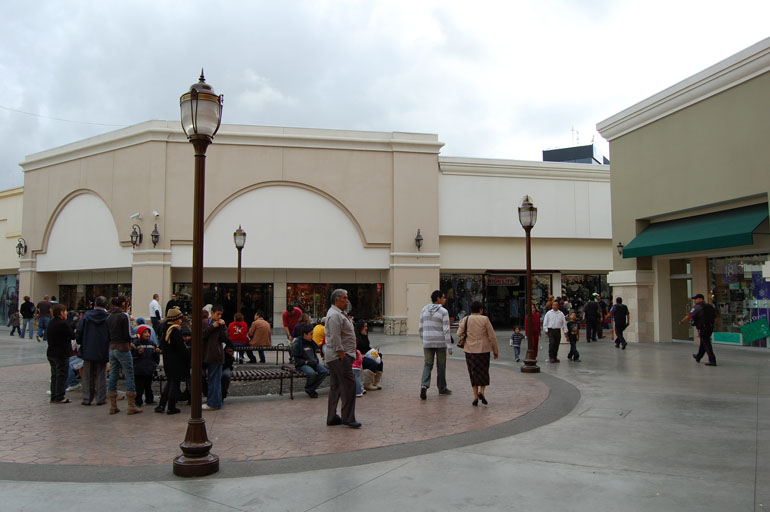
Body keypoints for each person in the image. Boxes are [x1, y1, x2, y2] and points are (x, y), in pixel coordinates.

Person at [324, 288, 361, 428]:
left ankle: (332, 416)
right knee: (349, 386)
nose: (347, 301)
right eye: (344, 298)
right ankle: (348, 417)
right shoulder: (334, 315)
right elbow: (335, 337)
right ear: (337, 300)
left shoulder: (339, 314)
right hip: (339, 357)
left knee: (336, 387)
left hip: (339, 356)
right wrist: (342, 355)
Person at [457, 300, 498, 406]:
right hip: (483, 350)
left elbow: (459, 333)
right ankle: (482, 392)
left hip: (470, 350)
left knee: (473, 373)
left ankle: (475, 396)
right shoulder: (485, 319)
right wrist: (495, 350)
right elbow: (492, 336)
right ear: (480, 310)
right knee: (484, 372)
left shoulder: (466, 319)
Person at [106, 295, 142, 415]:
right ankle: (131, 405)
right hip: (123, 348)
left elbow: (108, 334)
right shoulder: (124, 316)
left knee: (113, 375)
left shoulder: (109, 316)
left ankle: (113, 405)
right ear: (124, 304)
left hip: (112, 347)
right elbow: (128, 334)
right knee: (129, 374)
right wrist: (136, 336)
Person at [76, 296, 111, 406]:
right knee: (101, 374)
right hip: (102, 348)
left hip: (88, 348)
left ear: (95, 304)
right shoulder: (108, 317)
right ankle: (101, 398)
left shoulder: (87, 316)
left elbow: (79, 332)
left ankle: (87, 398)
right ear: (106, 305)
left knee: (87, 375)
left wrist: (81, 342)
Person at [419, 290, 453, 400]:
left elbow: (420, 327)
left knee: (428, 364)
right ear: (438, 299)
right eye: (443, 297)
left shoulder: (424, 310)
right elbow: (446, 330)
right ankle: (442, 388)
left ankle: (424, 385)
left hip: (427, 341)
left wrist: (424, 339)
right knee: (441, 365)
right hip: (440, 342)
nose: (444, 299)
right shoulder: (444, 312)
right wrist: (449, 346)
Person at [155, 307, 188, 414]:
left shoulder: (165, 329)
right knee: (174, 383)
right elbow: (181, 348)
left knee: (169, 383)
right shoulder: (174, 331)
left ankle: (161, 405)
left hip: (168, 360)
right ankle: (171, 407)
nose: (181, 321)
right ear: (175, 319)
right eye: (179, 318)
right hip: (176, 361)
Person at [679, 293, 718, 366]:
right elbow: (716, 317)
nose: (695, 301)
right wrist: (713, 325)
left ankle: (712, 360)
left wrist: (682, 321)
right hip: (710, 327)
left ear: (701, 299)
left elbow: (689, 316)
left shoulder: (698, 307)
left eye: (696, 299)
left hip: (703, 327)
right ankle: (698, 356)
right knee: (703, 342)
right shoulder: (710, 306)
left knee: (706, 343)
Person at [47, 304, 75, 404]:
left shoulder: (51, 322)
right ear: (61, 313)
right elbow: (72, 335)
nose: (66, 313)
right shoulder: (63, 324)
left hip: (51, 352)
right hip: (61, 353)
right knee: (61, 375)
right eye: (65, 311)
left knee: (54, 375)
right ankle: (60, 396)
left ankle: (54, 396)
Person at [202, 304, 227, 410]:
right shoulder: (206, 323)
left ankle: (213, 403)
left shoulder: (219, 325)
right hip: (210, 354)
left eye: (221, 315)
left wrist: (223, 326)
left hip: (216, 355)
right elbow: (203, 335)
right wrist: (213, 327)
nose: (219, 317)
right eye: (218, 314)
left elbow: (224, 338)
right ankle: (215, 402)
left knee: (215, 380)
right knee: (213, 380)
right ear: (212, 313)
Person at [293, 324, 328, 398]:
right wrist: (305, 362)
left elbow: (314, 354)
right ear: (305, 334)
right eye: (311, 334)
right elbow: (296, 359)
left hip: (313, 362)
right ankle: (310, 389)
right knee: (311, 373)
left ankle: (310, 388)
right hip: (303, 364)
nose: (312, 336)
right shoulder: (298, 344)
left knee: (324, 371)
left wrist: (315, 361)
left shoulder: (311, 343)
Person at [132, 325, 159, 406]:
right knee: (139, 387)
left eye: (148, 332)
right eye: (145, 332)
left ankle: (149, 399)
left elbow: (155, 357)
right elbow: (132, 355)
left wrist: (156, 353)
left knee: (148, 386)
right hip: (139, 369)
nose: (147, 334)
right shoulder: (136, 343)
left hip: (149, 368)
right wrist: (138, 353)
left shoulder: (152, 344)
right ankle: (138, 401)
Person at [355, 319, 383, 391]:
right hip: (359, 356)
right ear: (360, 327)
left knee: (380, 361)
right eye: (364, 326)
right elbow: (356, 350)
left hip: (366, 355)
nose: (366, 328)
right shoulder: (356, 337)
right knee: (373, 363)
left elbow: (367, 347)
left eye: (366, 326)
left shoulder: (365, 335)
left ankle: (376, 382)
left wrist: (374, 352)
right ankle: (367, 384)